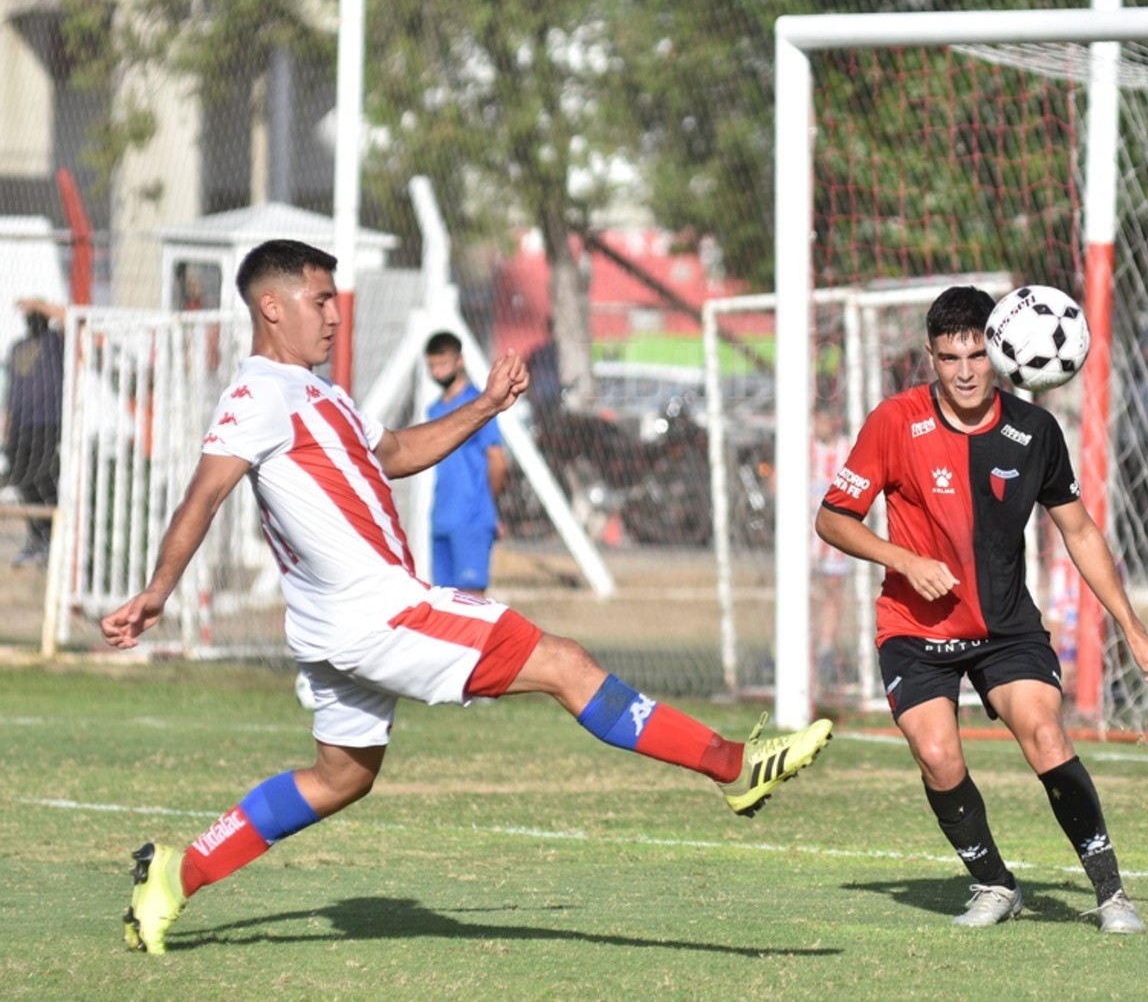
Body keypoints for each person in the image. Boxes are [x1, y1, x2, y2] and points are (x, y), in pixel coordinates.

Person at [102, 240, 833, 956]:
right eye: (319, 299)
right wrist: (158, 592)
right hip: (379, 613)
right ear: (271, 306)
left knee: (339, 778)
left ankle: (177, 873)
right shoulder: (259, 393)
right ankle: (733, 765)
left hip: (333, 627)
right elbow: (204, 495)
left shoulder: (317, 393)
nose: (332, 315)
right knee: (566, 664)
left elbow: (395, 455)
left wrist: (485, 405)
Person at [815, 286, 1148, 933]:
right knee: (936, 755)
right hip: (914, 628)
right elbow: (832, 520)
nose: (963, 371)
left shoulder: (1034, 430)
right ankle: (993, 885)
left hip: (1005, 627)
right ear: (930, 356)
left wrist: (1134, 631)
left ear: (1002, 351)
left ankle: (1111, 894)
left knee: (1044, 734)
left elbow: (1081, 533)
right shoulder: (893, 422)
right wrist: (904, 560)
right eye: (949, 357)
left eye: (977, 355)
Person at [424, 331, 506, 595]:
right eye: (432, 365)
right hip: (441, 518)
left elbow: (497, 462)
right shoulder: (434, 409)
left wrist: (486, 506)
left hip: (472, 520)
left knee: (472, 604)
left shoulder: (480, 406)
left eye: (443, 364)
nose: (437, 372)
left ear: (460, 361)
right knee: (445, 608)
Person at [4, 298, 65, 567]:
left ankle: (53, 538)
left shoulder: (55, 342)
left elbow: (73, 321)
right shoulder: (18, 347)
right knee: (22, 478)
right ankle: (38, 538)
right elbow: (13, 386)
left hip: (47, 424)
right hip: (19, 426)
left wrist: (41, 305)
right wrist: (6, 418)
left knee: (45, 478)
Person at [809, 404, 852, 687]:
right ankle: (798, 647)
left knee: (833, 591)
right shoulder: (805, 447)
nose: (818, 423)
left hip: (838, 536)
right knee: (807, 594)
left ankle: (825, 649)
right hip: (805, 535)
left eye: (823, 417)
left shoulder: (849, 448)